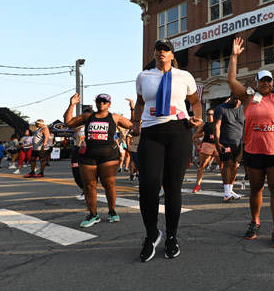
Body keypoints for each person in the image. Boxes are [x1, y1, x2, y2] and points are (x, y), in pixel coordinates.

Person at [228, 36, 274, 248]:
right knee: (256, 189)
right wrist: (234, 56)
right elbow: (231, 81)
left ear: (272, 82)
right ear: (256, 82)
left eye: (269, 80)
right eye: (262, 80)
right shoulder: (248, 98)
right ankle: (255, 221)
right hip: (253, 151)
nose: (266, 83)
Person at [132, 39, 202, 262]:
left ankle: (172, 236)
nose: (162, 52)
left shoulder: (184, 76)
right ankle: (152, 235)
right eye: (158, 49)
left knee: (173, 188)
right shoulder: (144, 76)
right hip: (152, 133)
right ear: (154, 53)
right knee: (148, 188)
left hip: (178, 131)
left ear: (172, 54)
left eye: (166, 49)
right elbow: (141, 102)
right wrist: (135, 122)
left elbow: (195, 101)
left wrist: (197, 119)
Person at [64, 93, 132, 227]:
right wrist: (72, 104)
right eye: (99, 101)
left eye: (104, 102)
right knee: (89, 186)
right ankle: (93, 214)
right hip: (88, 155)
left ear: (109, 104)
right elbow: (69, 122)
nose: (101, 104)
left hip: (109, 157)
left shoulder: (115, 117)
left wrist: (133, 109)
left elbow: (133, 126)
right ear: (96, 103)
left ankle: (112, 211)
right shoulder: (88, 116)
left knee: (109, 185)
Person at [214, 93, 245, 202]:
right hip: (225, 142)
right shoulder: (221, 108)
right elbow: (217, 126)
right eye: (236, 98)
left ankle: (230, 190)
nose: (237, 102)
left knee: (235, 166)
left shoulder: (243, 108)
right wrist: (217, 143)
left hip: (239, 143)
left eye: (240, 99)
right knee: (227, 164)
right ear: (231, 97)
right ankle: (226, 191)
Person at [192, 109, 219, 193]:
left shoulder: (219, 123)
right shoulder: (204, 124)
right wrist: (202, 135)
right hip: (207, 145)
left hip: (218, 145)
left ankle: (227, 187)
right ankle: (198, 185)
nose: (210, 116)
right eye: (208, 114)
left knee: (222, 166)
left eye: (212, 114)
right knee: (202, 165)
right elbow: (194, 136)